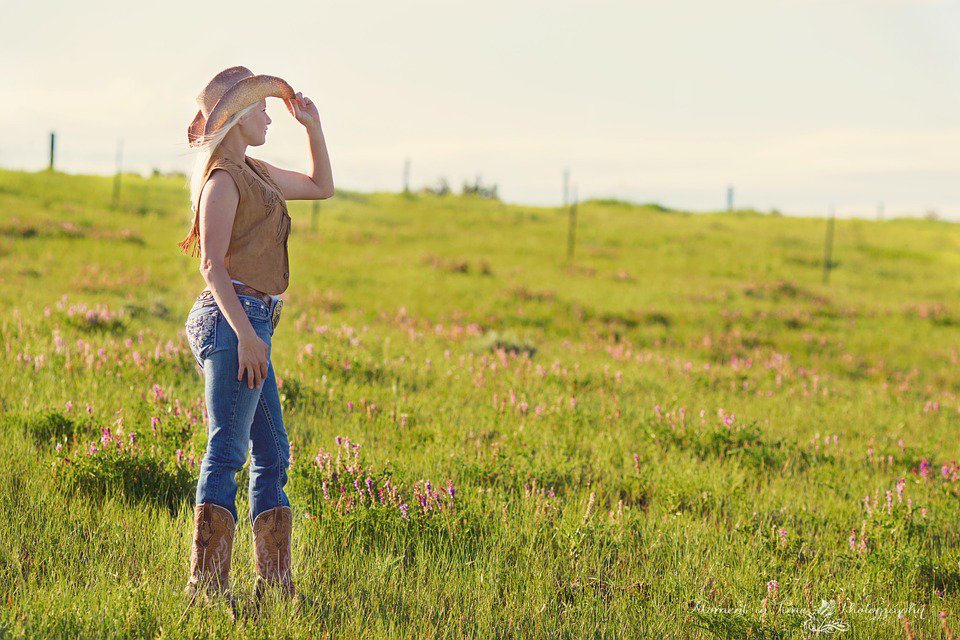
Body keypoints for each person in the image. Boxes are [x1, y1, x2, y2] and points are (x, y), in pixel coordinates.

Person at [177, 65, 334, 609]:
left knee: (273, 452)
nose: (270, 116)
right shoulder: (221, 180)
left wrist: (312, 127)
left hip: (254, 320)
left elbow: (321, 187)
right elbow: (211, 266)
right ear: (240, 119)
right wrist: (246, 336)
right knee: (228, 449)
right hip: (231, 319)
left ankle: (274, 584)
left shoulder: (257, 171)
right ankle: (208, 587)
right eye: (263, 109)